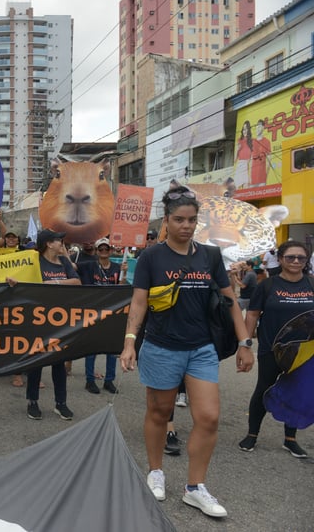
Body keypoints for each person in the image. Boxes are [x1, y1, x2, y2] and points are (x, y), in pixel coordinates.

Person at [120, 185, 254, 518]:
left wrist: (244, 343)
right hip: (162, 347)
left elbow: (230, 300)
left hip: (202, 349)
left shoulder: (209, 256)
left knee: (208, 418)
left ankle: (195, 488)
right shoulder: (151, 257)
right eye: (179, 219)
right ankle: (155, 471)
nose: (186, 225)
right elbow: (139, 302)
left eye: (192, 220)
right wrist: (129, 342)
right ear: (167, 220)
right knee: (160, 413)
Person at [239, 240, 313, 459]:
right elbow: (252, 315)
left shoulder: (311, 284)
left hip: (304, 352)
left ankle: (290, 439)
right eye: (290, 257)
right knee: (263, 388)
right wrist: (245, 345)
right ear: (280, 259)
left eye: (301, 257)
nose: (296, 261)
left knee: (297, 392)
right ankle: (252, 434)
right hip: (272, 348)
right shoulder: (268, 285)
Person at [22, 228, 79, 421]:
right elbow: (24, 280)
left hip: (60, 320)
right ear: (48, 243)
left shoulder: (64, 262)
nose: (61, 244)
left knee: (59, 362)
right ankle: (32, 401)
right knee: (37, 362)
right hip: (38, 319)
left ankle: (60, 403)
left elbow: (76, 283)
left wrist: (53, 283)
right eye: (58, 241)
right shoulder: (35, 261)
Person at [78, 237, 127, 395]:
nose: (104, 252)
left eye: (107, 249)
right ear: (96, 251)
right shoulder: (89, 265)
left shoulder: (117, 267)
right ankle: (90, 380)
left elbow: (121, 288)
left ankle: (109, 381)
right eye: (101, 249)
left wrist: (124, 274)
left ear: (111, 251)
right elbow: (70, 266)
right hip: (93, 311)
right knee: (91, 348)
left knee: (111, 349)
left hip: (112, 312)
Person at [250, 119, 271, 186]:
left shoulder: (266, 142)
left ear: (263, 128)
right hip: (253, 178)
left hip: (262, 178)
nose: (257, 129)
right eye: (256, 127)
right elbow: (250, 160)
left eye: (259, 127)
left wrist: (266, 175)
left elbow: (269, 159)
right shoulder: (252, 142)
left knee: (262, 195)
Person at [235, 120, 252, 189]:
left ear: (249, 130)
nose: (244, 131)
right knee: (237, 189)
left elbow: (252, 157)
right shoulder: (239, 141)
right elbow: (234, 160)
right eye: (243, 129)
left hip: (248, 166)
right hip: (240, 165)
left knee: (246, 188)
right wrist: (237, 149)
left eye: (246, 129)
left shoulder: (252, 141)